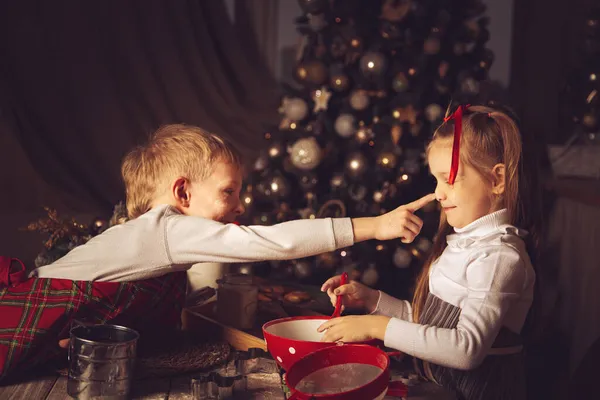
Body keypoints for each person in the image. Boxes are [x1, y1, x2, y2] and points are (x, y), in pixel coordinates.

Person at [0, 123, 434, 380]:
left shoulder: (161, 243)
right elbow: (274, 241)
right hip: (22, 311)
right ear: (183, 193)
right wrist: (375, 225)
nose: (241, 206)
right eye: (228, 192)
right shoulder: (166, 228)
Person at [318, 105, 543, 400]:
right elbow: (429, 326)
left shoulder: (500, 257)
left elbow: (465, 349)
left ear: (497, 180)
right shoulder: (463, 244)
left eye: (449, 178)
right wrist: (372, 301)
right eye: (436, 179)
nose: (438, 193)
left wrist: (377, 326)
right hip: (436, 386)